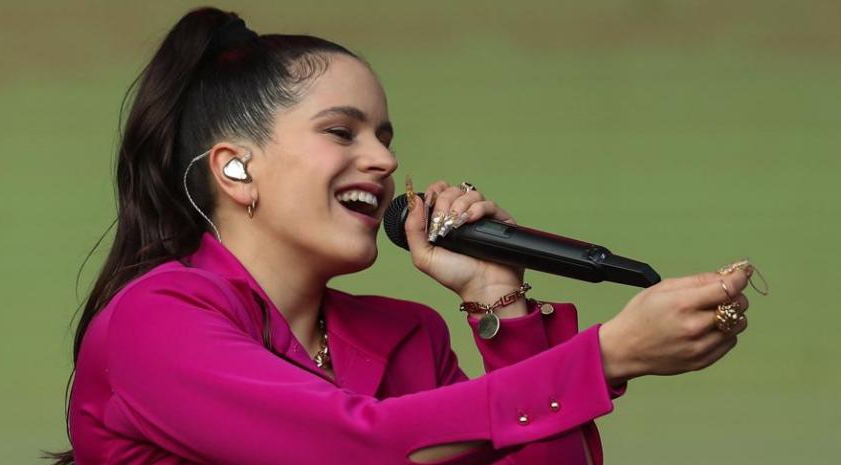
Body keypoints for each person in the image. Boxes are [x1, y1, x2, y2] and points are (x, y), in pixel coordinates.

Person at [47, 7, 757, 465]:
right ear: (235, 167)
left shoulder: (407, 337)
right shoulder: (156, 319)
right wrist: (604, 357)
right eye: (341, 132)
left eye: (385, 138)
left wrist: (500, 302)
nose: (384, 162)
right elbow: (356, 443)